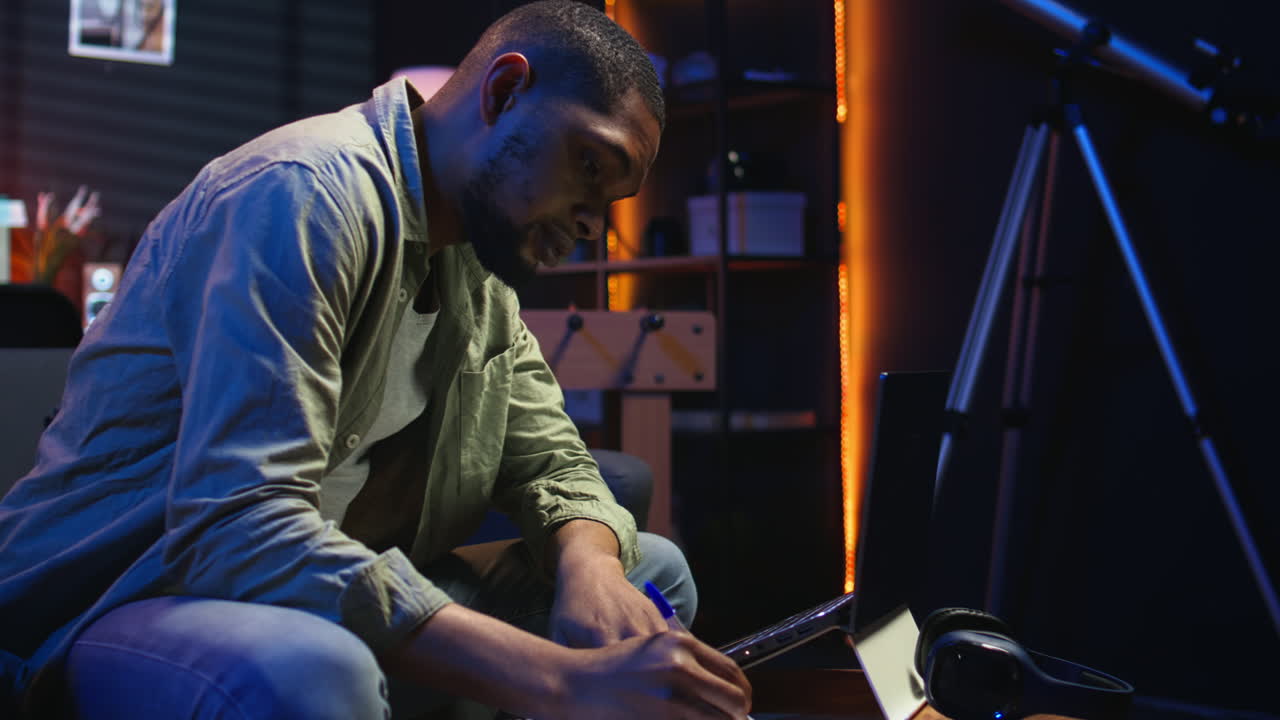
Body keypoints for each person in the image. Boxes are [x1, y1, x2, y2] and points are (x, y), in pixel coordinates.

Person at [0, 2, 753, 718]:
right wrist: (560, 680)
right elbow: (234, 526)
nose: (593, 222)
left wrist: (590, 570)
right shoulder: (302, 195)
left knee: (645, 572)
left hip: (309, 593)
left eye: (613, 197)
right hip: (133, 598)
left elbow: (555, 464)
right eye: (590, 164)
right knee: (316, 669)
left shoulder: (475, 267)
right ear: (506, 90)